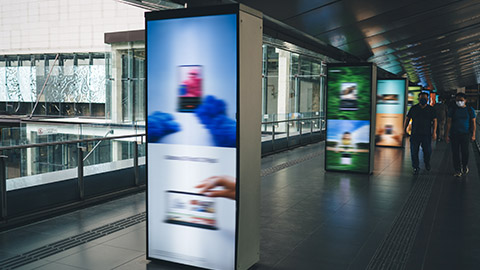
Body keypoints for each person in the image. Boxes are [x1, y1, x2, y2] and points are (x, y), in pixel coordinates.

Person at [404, 92, 437, 175]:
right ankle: (415, 167)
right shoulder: (414, 108)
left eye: (425, 98)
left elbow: (435, 120)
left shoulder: (431, 109)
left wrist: (434, 132)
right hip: (415, 134)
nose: (423, 100)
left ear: (427, 99)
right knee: (414, 151)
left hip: (426, 134)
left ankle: (427, 162)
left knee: (427, 151)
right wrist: (404, 129)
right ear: (418, 99)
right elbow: (407, 119)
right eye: (422, 98)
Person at [445, 92, 476, 177]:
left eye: (461, 100)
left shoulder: (470, 110)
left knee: (465, 152)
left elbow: (473, 123)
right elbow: (449, 122)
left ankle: (465, 165)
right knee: (455, 153)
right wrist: (447, 134)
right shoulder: (453, 109)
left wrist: (473, 134)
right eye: (457, 100)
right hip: (454, 134)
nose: (459, 102)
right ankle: (457, 170)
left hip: (465, 134)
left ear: (465, 100)